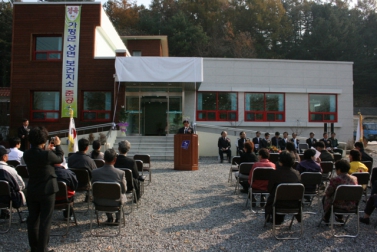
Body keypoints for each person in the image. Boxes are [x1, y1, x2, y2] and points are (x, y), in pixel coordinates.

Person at [23, 127, 64, 252]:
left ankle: (34, 247)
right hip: (47, 190)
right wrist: (58, 146)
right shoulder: (47, 154)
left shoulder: (27, 154)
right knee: (45, 220)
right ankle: (43, 248)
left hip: (33, 189)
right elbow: (59, 158)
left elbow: (39, 157)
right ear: (44, 140)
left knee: (33, 219)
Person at [92, 149, 127, 225]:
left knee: (105, 192)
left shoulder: (95, 172)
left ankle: (109, 217)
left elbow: (93, 188)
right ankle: (118, 218)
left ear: (104, 159)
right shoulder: (120, 173)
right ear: (115, 159)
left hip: (99, 202)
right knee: (120, 194)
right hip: (116, 202)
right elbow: (124, 189)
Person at [265, 151, 301, 224]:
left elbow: (269, 189)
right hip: (294, 203)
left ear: (280, 162)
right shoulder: (297, 174)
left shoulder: (275, 173)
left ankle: (274, 218)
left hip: (277, 203)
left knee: (274, 195)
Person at [322, 160, 358, 224]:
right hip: (352, 204)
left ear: (339, 170)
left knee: (325, 198)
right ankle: (339, 217)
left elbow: (328, 192)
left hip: (338, 204)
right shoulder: (354, 178)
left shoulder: (336, 179)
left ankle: (326, 217)